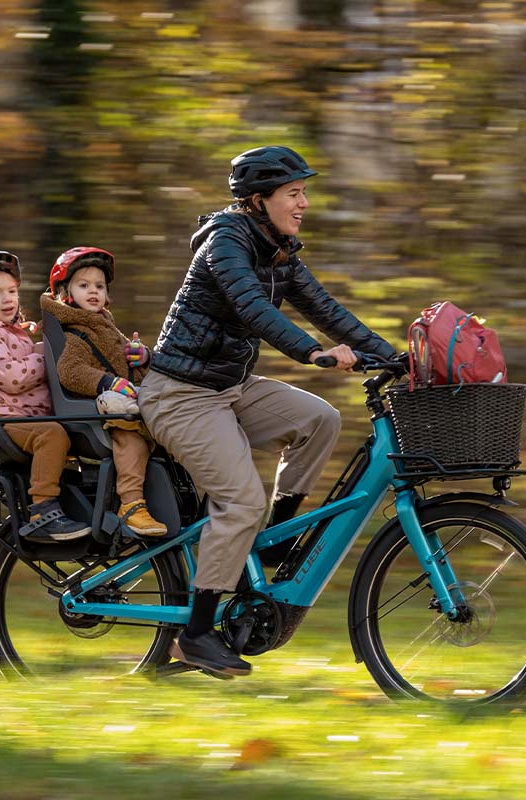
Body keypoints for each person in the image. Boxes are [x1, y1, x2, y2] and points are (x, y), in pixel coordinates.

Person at [139, 145, 397, 676]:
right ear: (258, 201)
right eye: (294, 193)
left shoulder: (278, 249)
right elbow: (253, 309)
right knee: (238, 500)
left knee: (319, 419)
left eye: (304, 192)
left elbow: (325, 308)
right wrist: (311, 352)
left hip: (229, 387)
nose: (304, 203)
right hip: (179, 394)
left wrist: (396, 357)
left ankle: (274, 538)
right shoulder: (225, 242)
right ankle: (195, 635)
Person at [0, 250, 91, 541]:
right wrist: (48, 359)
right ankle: (43, 512)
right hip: (5, 420)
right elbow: (11, 377)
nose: (8, 299)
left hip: (25, 415)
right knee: (51, 435)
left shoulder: (11, 332)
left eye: (12, 291)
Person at [40, 247, 169, 537]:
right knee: (131, 437)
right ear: (64, 292)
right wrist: (107, 382)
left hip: (126, 404)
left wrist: (141, 356)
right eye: (84, 285)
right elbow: (70, 371)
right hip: (96, 417)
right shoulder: (74, 332)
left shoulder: (104, 325)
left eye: (99, 286)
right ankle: (132, 505)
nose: (94, 291)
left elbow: (130, 368)